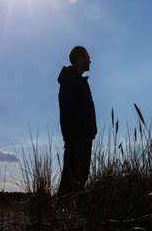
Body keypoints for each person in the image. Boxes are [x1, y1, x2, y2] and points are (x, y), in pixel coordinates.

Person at [57, 46, 97, 196]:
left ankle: (70, 213)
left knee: (79, 178)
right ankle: (62, 213)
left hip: (83, 137)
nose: (90, 60)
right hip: (77, 137)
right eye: (87, 57)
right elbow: (69, 109)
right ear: (80, 58)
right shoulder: (70, 80)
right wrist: (82, 129)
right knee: (72, 176)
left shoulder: (79, 81)